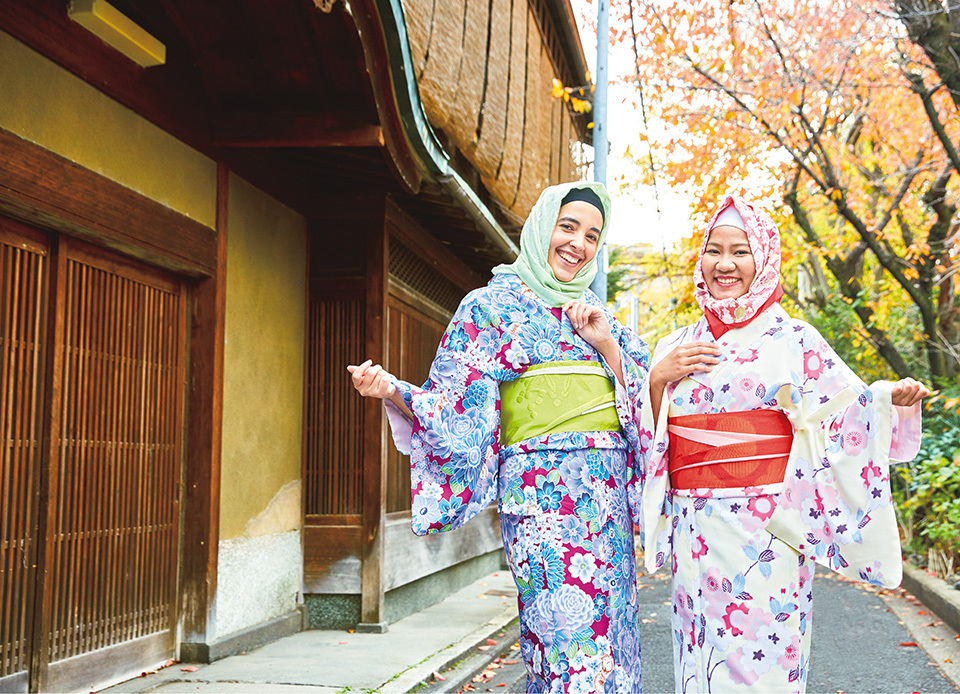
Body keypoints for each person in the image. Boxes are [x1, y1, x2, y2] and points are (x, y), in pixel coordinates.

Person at [348, 182, 650, 692]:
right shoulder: (488, 307)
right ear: (541, 228)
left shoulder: (601, 317)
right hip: (543, 501)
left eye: (592, 235)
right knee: (562, 639)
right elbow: (455, 410)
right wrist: (393, 391)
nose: (578, 243)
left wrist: (605, 346)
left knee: (613, 644)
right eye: (568, 226)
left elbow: (647, 401)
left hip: (608, 505)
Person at [637, 195, 929, 693]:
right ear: (700, 260)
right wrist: (657, 381)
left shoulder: (794, 339)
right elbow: (644, 437)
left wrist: (888, 401)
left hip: (766, 531)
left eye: (740, 252)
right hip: (694, 531)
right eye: (714, 250)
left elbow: (842, 413)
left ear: (764, 260)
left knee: (761, 663)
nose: (724, 264)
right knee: (698, 659)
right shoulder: (673, 344)